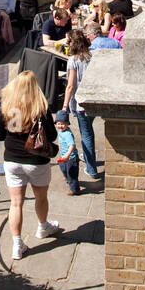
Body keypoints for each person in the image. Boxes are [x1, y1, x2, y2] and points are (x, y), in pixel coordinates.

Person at [0, 71, 62, 260]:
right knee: (41, 197)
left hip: (12, 160)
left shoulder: (6, 105)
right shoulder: (40, 108)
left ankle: (17, 245)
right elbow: (52, 135)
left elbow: (0, 135)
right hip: (36, 160)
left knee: (16, 203)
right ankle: (43, 227)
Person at [61, 30, 99, 180]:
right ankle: (87, 156)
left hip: (81, 102)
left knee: (86, 135)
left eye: (69, 42)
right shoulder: (93, 56)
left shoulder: (73, 60)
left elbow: (70, 86)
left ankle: (91, 169)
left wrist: (64, 106)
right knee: (88, 131)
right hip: (94, 100)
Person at [54, 110, 80, 196]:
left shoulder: (68, 134)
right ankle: (68, 178)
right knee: (63, 168)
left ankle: (75, 190)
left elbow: (72, 145)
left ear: (67, 124)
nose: (60, 126)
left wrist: (67, 155)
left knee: (72, 173)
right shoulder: (61, 132)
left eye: (62, 124)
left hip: (71, 158)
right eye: (58, 124)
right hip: (64, 156)